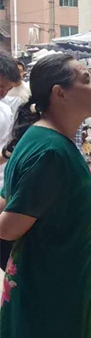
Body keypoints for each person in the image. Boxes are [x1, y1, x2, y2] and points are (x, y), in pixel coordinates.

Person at [0, 54, 91, 338]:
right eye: (86, 80)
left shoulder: (47, 138)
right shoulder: (50, 152)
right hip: (56, 302)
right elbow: (9, 225)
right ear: (59, 93)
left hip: (64, 292)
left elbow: (7, 199)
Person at [0, 52, 21, 271]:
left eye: (7, 88)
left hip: (6, 193)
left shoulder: (5, 109)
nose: (4, 93)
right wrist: (7, 154)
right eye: (0, 87)